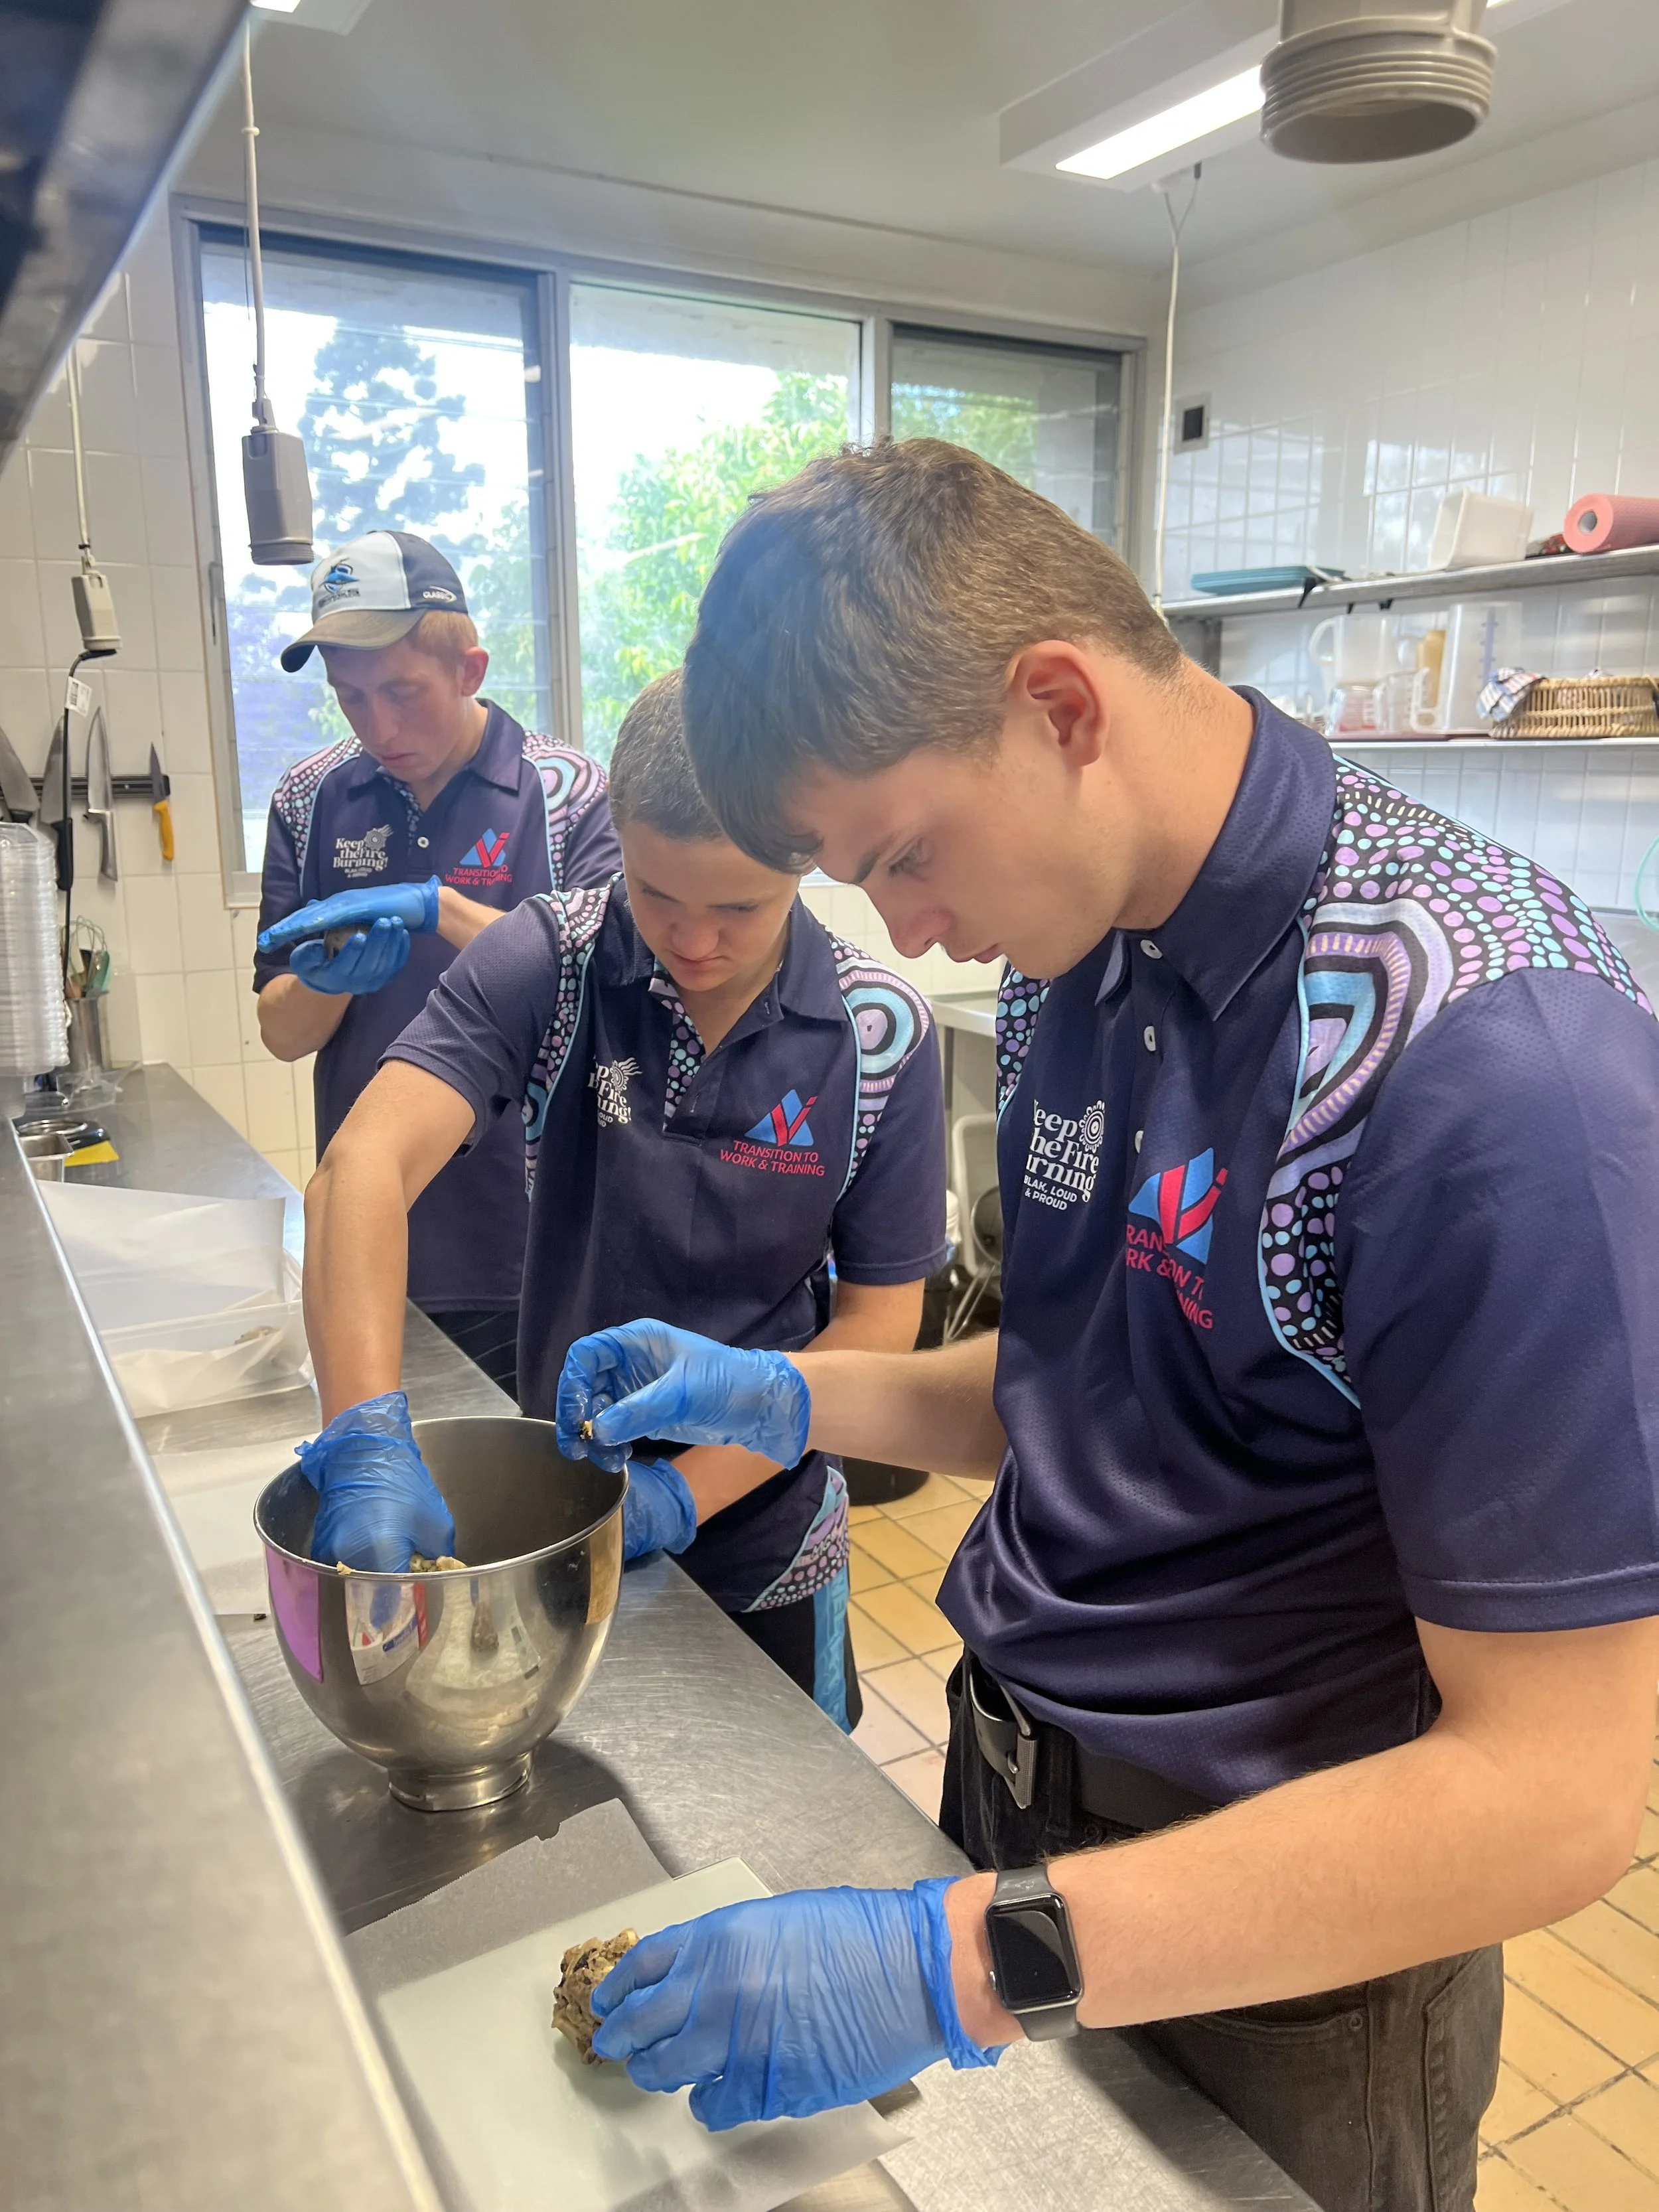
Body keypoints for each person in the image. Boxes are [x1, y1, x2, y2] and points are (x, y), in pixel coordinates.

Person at [555, 441, 1659, 2211]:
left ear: (1058, 704)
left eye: (904, 855)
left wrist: (962, 1967)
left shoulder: (1476, 1048)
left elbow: (1553, 1792)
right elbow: (1081, 1386)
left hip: (1282, 1958)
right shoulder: (1073, 955)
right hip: (1013, 1825)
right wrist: (785, 1392)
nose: (902, 927)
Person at [294, 669, 948, 1728]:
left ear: (807, 862)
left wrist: (688, 1491)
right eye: (657, 896)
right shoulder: (553, 960)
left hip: (768, 1542)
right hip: (563, 1523)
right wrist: (363, 1434)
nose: (692, 942)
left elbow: (883, 1321)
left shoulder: (880, 1036)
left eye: (738, 907)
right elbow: (362, 1167)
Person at [253, 530, 620, 1399]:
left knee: (532, 1500)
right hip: (365, 1247)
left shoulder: (564, 795)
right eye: (351, 698)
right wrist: (326, 980)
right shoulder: (310, 801)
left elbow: (610, 998)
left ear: (470, 669)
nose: (379, 728)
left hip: (531, 1247)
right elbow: (278, 1029)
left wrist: (440, 909)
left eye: (403, 693)